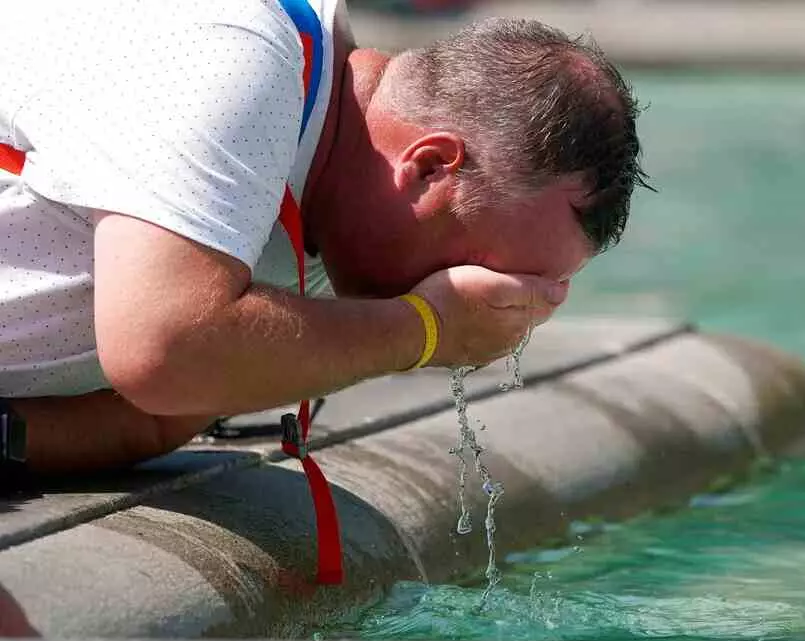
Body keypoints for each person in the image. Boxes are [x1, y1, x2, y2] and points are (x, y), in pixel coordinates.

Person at [0, 0, 646, 479]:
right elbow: (167, 350)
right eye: (481, 269)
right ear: (427, 165)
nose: (489, 300)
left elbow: (157, 414)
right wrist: (425, 327)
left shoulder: (320, 196)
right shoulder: (232, 52)